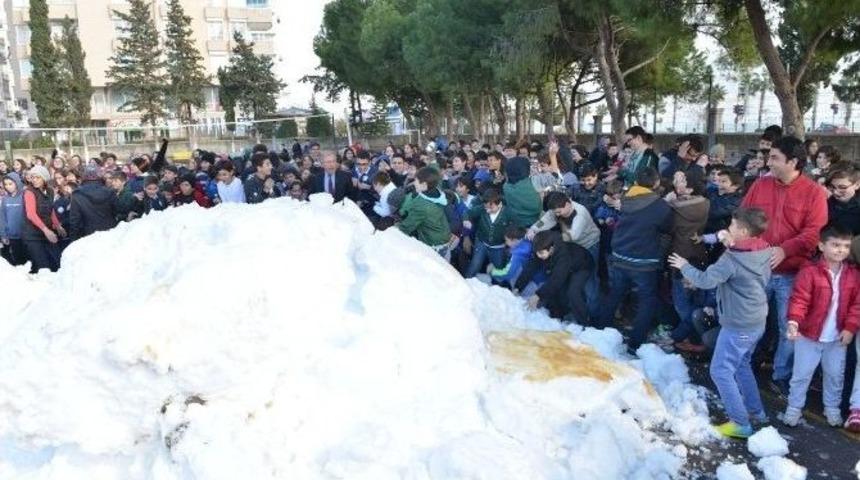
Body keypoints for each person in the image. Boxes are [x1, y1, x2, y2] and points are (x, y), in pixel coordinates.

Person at [668, 207, 772, 439]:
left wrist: (684, 265)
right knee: (742, 364)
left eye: (733, 226)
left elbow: (705, 280)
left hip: (739, 324)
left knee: (721, 370)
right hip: (756, 320)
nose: (728, 230)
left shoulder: (731, 259)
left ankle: (740, 423)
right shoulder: (763, 249)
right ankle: (757, 412)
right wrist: (730, 243)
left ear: (743, 231)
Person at [741, 136, 829, 396]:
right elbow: (744, 217)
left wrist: (784, 249)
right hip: (757, 270)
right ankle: (744, 366)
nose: (769, 162)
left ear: (793, 162)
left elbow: (815, 233)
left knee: (787, 328)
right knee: (749, 322)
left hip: (792, 274)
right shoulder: (760, 185)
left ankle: (781, 375)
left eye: (775, 158)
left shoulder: (813, 193)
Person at [782, 224, 860, 428]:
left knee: (835, 375)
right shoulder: (809, 272)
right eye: (835, 245)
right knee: (801, 374)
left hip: (836, 338)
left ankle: (832, 408)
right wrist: (794, 321)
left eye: (845, 246)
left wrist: (850, 327)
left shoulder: (853, 275)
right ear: (821, 246)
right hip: (808, 336)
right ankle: (794, 408)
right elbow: (799, 299)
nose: (840, 250)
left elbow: (856, 304)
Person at [597, 167, 673, 351]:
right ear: (656, 183)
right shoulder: (660, 206)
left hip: (620, 255)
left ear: (637, 182)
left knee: (615, 293)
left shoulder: (625, 198)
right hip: (644, 261)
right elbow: (668, 228)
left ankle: (598, 330)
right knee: (647, 300)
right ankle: (635, 343)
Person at [665, 168, 711, 352]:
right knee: (694, 299)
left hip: (681, 257)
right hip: (698, 254)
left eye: (682, 181)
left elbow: (667, 227)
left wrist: (667, 201)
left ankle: (685, 336)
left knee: (681, 302)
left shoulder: (676, 207)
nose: (678, 183)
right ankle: (693, 335)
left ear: (690, 189)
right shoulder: (705, 203)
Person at [514, 230, 593, 323]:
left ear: (551, 249)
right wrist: (518, 287)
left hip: (581, 265)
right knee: (556, 292)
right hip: (564, 267)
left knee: (573, 292)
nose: (539, 256)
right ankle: (557, 320)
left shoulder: (563, 255)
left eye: (541, 253)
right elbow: (530, 268)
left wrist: (538, 295)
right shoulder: (541, 247)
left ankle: (584, 323)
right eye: (537, 253)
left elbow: (556, 279)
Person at [397, 167, 451, 259]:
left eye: (416, 181)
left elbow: (406, 227)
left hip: (434, 246)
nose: (414, 183)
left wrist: (391, 229)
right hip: (444, 240)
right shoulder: (436, 192)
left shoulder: (421, 205)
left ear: (424, 184)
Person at [22, 166, 65, 273]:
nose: (34, 180)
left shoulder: (50, 191)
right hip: (33, 235)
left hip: (47, 232)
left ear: (44, 178)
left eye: (38, 177)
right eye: (32, 177)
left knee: (57, 261)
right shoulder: (29, 192)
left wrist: (58, 226)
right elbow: (31, 214)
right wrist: (46, 230)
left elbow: (51, 210)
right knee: (43, 267)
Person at [464, 189, 514, 278]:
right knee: (474, 266)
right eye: (486, 207)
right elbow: (468, 213)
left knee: (499, 268)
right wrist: (466, 220)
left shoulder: (508, 213)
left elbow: (515, 228)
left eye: (491, 208)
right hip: (481, 243)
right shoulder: (482, 209)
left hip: (498, 247)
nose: (487, 210)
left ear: (499, 204)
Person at [68, 166, 118, 241]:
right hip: (109, 233)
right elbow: (117, 210)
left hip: (88, 235)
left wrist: (73, 240)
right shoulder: (110, 191)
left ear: (84, 177)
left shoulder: (77, 194)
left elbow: (74, 221)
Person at [503, 156, 542, 228]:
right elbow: (555, 177)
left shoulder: (506, 187)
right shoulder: (533, 183)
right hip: (537, 224)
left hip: (515, 225)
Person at [0, 172, 26, 266]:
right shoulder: (5, 199)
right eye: (5, 184)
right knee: (18, 262)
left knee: (29, 261)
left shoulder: (24, 196)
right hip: (12, 237)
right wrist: (3, 235)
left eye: (10, 184)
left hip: (26, 236)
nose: (8, 186)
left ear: (17, 183)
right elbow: (2, 218)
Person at [826, 168, 860, 235]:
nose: (835, 192)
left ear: (857, 185)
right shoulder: (826, 201)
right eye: (832, 186)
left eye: (842, 187)